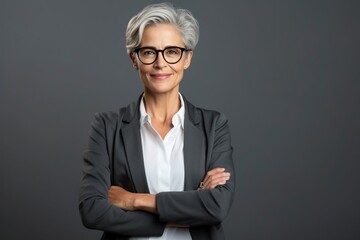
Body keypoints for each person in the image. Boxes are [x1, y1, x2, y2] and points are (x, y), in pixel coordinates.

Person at [79, 3, 235, 240]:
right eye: (149, 52)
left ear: (187, 58)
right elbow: (92, 210)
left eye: (172, 51)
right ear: (134, 59)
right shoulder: (106, 126)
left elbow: (216, 207)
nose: (161, 63)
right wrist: (192, 203)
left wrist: (133, 200)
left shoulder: (213, 125)